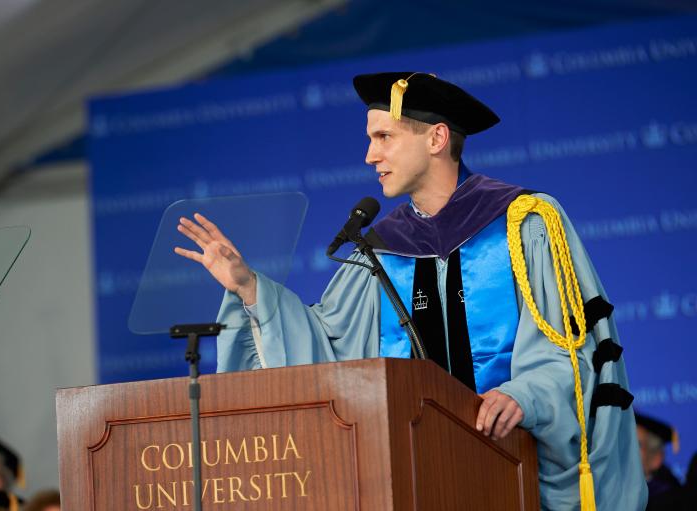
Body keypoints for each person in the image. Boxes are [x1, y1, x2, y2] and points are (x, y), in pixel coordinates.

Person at [175, 71, 647, 510]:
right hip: (415, 479)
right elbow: (325, 347)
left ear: (437, 138)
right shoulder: (381, 252)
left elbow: (572, 344)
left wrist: (526, 394)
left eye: (384, 137)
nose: (369, 156)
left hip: (512, 467)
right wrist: (249, 286)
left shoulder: (525, 224)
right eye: (369, 140)